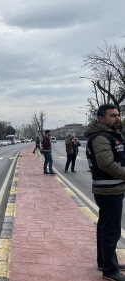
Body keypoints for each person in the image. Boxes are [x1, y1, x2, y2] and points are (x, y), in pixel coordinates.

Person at [85, 104, 125, 281]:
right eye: (112, 115)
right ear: (101, 119)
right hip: (109, 189)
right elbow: (106, 164)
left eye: (118, 115)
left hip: (110, 188)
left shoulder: (110, 134)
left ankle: (104, 261)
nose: (117, 118)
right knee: (111, 230)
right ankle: (110, 270)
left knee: (105, 227)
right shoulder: (101, 137)